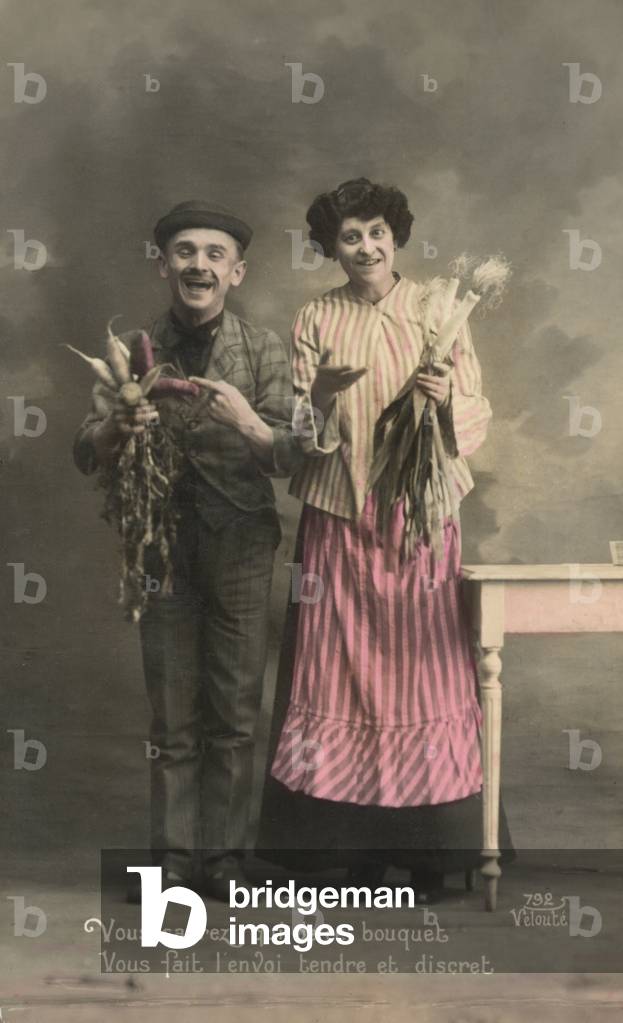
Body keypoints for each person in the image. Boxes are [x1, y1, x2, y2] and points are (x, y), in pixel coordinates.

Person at [257, 178, 514, 901]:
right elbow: (304, 439)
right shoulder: (315, 316)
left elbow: (474, 405)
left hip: (419, 518)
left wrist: (443, 401)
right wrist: (320, 397)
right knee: (338, 673)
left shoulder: (438, 306)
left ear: (395, 235)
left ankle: (430, 855)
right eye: (348, 236)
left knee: (422, 670)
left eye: (375, 232)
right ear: (329, 248)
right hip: (339, 519)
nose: (364, 247)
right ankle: (352, 853)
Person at [73, 200, 302, 901]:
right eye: (183, 251)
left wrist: (248, 422)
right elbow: (86, 452)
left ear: (237, 270)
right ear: (163, 262)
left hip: (240, 548)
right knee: (172, 717)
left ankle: (226, 861)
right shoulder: (134, 349)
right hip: (162, 550)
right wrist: (119, 423)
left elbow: (292, 454)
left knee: (233, 713)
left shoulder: (263, 349)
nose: (198, 264)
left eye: (213, 253)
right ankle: (175, 863)